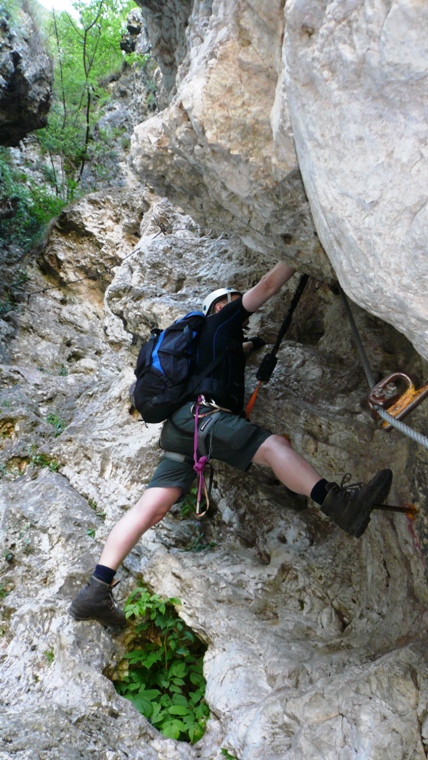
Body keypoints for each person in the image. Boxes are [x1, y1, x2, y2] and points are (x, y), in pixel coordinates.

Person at [68, 262, 392, 630]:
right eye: (235, 301)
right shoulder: (219, 322)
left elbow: (237, 351)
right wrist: (296, 256)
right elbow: (268, 286)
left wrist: (254, 345)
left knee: (151, 507)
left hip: (180, 429)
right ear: (221, 305)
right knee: (272, 447)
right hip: (203, 419)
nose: (243, 306)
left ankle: (96, 588)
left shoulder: (216, 345)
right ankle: (337, 504)